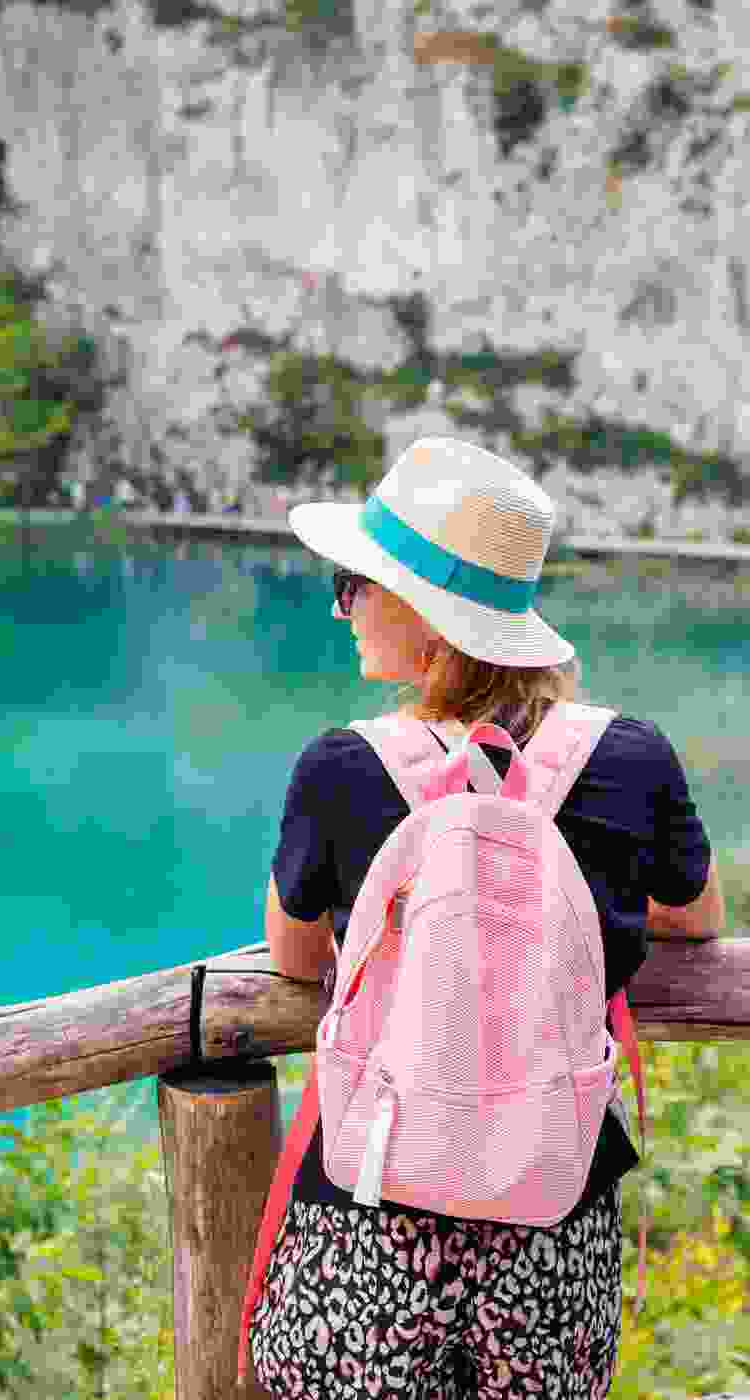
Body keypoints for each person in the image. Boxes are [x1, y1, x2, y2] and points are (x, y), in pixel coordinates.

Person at [248, 436, 723, 1399]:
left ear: (427, 619)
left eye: (355, 586)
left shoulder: (339, 768)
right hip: (553, 1210)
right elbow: (695, 916)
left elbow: (295, 958)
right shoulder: (632, 757)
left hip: (372, 1210)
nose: (342, 607)